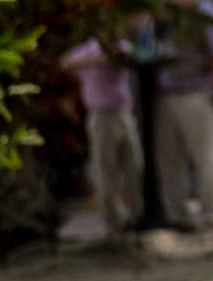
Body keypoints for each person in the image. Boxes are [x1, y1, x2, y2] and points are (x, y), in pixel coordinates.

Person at [154, 0, 213, 229]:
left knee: (205, 156)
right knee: (168, 157)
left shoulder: (205, 9)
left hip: (197, 91)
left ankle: (212, 214)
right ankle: (177, 215)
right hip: (166, 93)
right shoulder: (162, 11)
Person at [60, 13, 148, 234]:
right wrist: (98, 60)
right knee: (105, 169)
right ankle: (112, 223)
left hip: (123, 112)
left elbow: (141, 55)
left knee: (134, 164)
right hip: (100, 115)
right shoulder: (89, 49)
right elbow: (64, 63)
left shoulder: (123, 47)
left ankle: (136, 217)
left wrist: (121, 54)